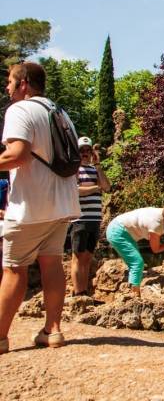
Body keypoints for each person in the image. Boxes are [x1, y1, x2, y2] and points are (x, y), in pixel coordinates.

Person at [0, 62, 81, 354]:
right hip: (62, 205)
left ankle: (0, 338)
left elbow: (18, 155)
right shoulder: (61, 113)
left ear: (23, 83)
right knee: (52, 263)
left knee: (13, 269)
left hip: (30, 206)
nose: (7, 87)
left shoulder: (20, 110)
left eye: (10, 81)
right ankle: (53, 330)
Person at [106, 203, 164, 297]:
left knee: (134, 264)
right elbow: (156, 249)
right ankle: (135, 297)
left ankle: (130, 291)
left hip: (121, 229)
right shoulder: (156, 224)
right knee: (137, 263)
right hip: (118, 232)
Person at [70, 137, 110, 296]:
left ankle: (84, 291)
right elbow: (74, 190)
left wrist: (98, 164)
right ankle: (78, 293)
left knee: (87, 257)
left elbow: (106, 187)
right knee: (77, 256)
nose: (85, 153)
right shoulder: (74, 170)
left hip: (95, 219)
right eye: (82, 151)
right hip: (79, 219)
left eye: (88, 150)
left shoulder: (95, 169)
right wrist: (95, 188)